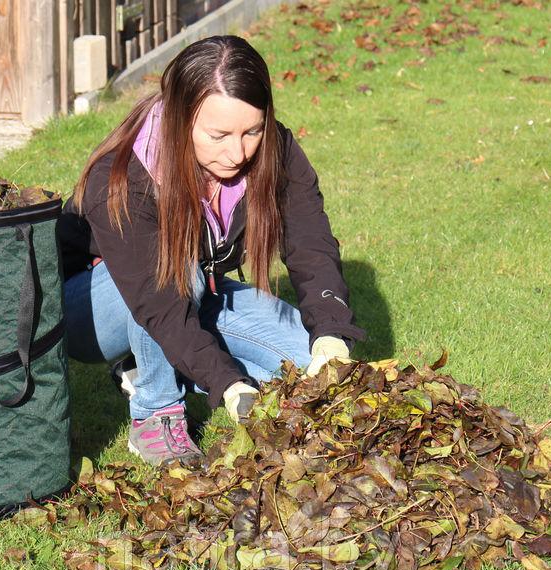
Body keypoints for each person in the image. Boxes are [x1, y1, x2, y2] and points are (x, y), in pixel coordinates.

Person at [57, 35, 365, 466]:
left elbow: (311, 242)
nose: (237, 152)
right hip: (89, 309)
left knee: (311, 371)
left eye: (252, 131)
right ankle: (156, 414)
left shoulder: (276, 150)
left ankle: (160, 361)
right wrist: (228, 384)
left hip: (195, 288)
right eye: (218, 134)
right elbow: (159, 303)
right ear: (181, 119)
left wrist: (331, 332)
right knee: (176, 270)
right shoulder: (123, 179)